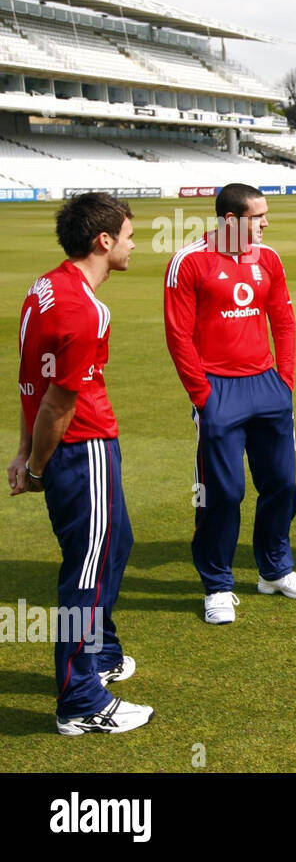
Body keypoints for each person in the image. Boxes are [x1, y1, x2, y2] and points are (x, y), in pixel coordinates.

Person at [9, 192, 153, 734]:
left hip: (74, 443)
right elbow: (56, 401)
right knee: (86, 572)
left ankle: (99, 657)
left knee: (116, 545)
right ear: (104, 240)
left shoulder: (43, 286)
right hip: (81, 445)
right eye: (130, 235)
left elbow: (30, 380)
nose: (135, 245)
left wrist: (25, 450)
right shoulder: (84, 307)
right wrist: (39, 465)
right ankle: (81, 702)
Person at [163, 183, 296, 625]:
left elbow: (284, 322)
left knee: (282, 485)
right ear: (231, 220)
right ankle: (218, 585)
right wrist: (202, 396)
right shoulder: (189, 262)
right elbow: (178, 335)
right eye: (259, 216)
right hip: (218, 390)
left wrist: (284, 382)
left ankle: (275, 569)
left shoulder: (268, 258)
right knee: (224, 493)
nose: (267, 223)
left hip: (267, 387)